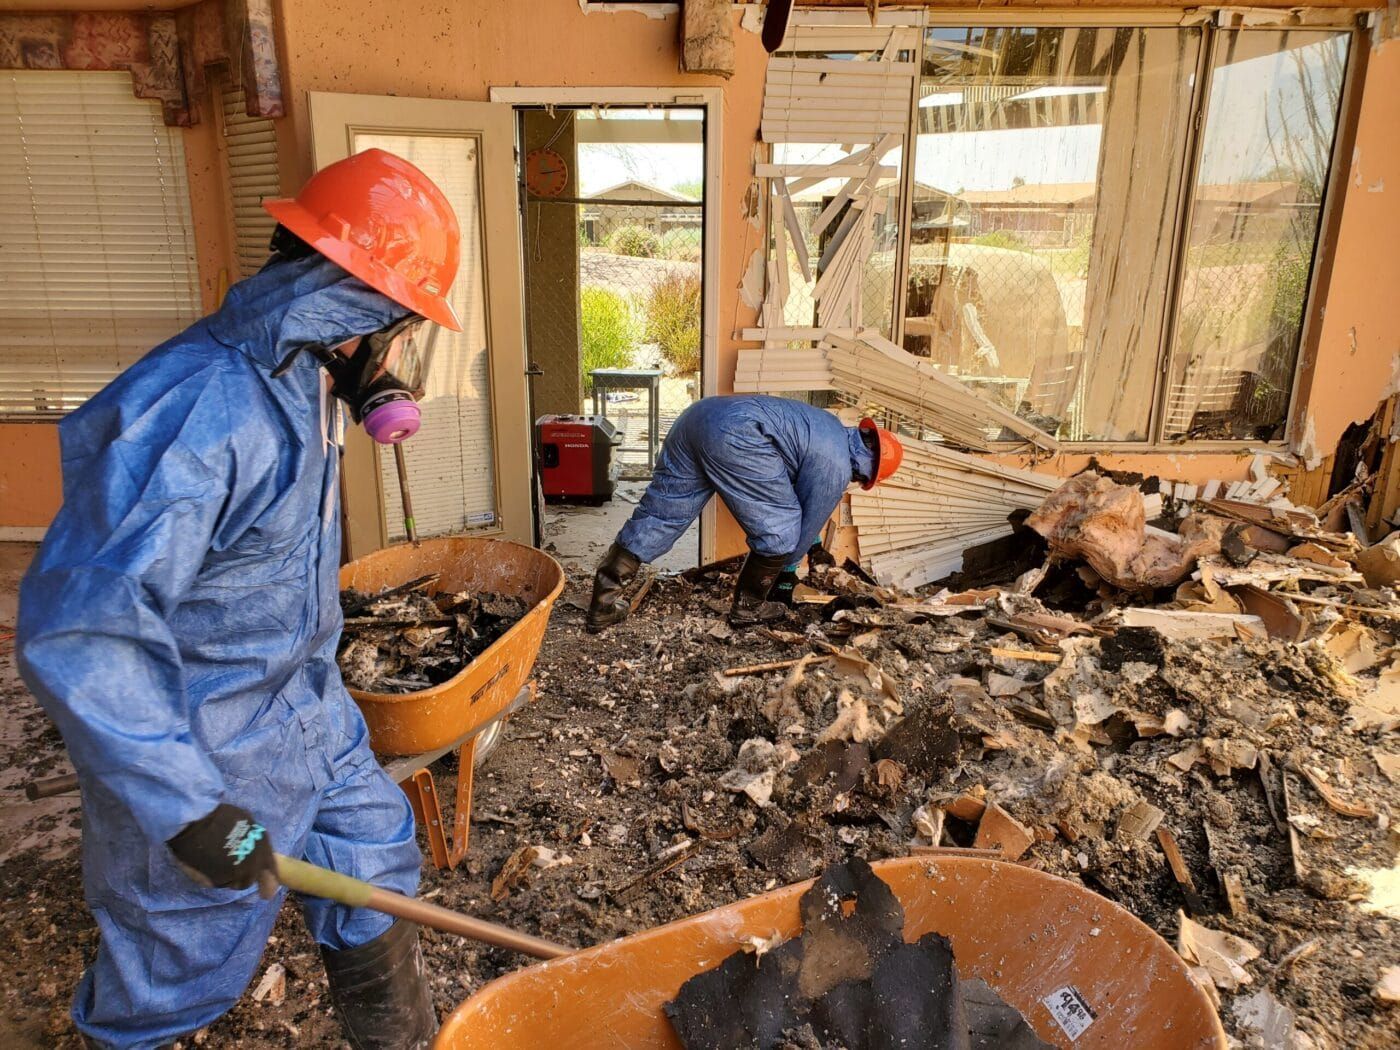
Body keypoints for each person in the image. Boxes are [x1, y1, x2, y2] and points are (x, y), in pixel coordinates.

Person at [17, 148, 460, 1050]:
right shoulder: (200, 412)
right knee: (180, 965)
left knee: (374, 858)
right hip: (201, 747)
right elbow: (84, 627)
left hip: (306, 711)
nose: (402, 356)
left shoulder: (299, 375)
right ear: (358, 312)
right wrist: (190, 812)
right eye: (404, 329)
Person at [587, 395, 903, 631]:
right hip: (736, 434)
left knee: (661, 513)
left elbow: (800, 501)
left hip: (697, 418)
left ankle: (602, 604)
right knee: (780, 532)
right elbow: (802, 525)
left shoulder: (827, 427)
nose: (856, 481)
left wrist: (813, 544)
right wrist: (787, 577)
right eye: (863, 478)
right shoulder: (836, 465)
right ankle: (748, 609)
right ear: (868, 469)